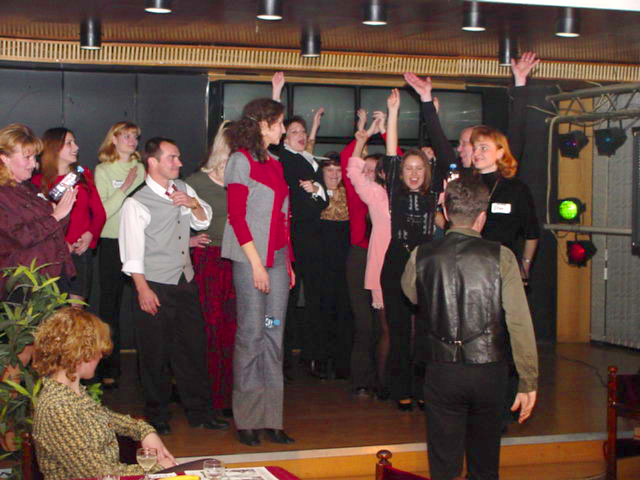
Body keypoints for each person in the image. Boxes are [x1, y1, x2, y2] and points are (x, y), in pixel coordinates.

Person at [401, 175, 538, 480]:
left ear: (445, 212)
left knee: (444, 466)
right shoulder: (503, 256)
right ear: (482, 217)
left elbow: (412, 295)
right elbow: (519, 322)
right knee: (485, 466)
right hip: (489, 371)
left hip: (441, 369)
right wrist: (528, 380)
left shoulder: (421, 254)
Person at [119, 137, 227, 435]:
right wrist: (142, 289)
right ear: (153, 162)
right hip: (154, 284)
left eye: (178, 157)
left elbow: (203, 220)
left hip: (185, 281)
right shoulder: (136, 202)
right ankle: (157, 414)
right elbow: (131, 252)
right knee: (155, 353)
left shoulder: (182, 189)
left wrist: (193, 203)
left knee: (193, 348)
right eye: (172, 158)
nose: (179, 163)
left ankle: (200, 411)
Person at [221, 97, 294, 447]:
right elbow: (236, 217)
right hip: (251, 259)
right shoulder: (240, 161)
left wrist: (287, 264)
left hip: (277, 261)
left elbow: (283, 219)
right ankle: (247, 420)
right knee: (251, 335)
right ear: (263, 125)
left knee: (273, 332)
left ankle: (271, 419)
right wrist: (255, 265)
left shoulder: (276, 164)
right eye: (279, 123)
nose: (284, 129)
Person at [32, 307, 176, 480]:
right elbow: (98, 473)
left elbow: (109, 419)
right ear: (81, 353)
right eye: (98, 350)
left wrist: (145, 431)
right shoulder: (57, 407)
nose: (101, 355)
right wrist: (158, 469)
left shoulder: (73, 394)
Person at [382, 89, 446, 410]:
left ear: (427, 170)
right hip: (396, 260)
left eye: (419, 167)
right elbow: (391, 152)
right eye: (408, 168)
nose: (413, 173)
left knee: (424, 331)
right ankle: (400, 389)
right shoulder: (394, 188)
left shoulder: (433, 191)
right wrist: (393, 112)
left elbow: (442, 152)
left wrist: (433, 114)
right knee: (398, 330)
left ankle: (423, 390)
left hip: (425, 262)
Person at [271, 72, 330, 378]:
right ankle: (281, 360)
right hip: (290, 238)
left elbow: (324, 201)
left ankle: (314, 357)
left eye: (303, 131)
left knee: (316, 298)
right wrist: (276, 92)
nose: (300, 135)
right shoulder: (281, 157)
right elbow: (269, 128)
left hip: (314, 239)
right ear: (284, 135)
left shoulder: (311, 160)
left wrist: (317, 189)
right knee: (287, 300)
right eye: (294, 131)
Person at [404, 51, 539, 171]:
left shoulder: (503, 178)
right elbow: (439, 142)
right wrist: (426, 98)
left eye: (465, 144)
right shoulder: (456, 172)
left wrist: (520, 83)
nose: (458, 149)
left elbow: (517, 130)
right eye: (460, 144)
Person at [186, 120, 237, 416]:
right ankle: (209, 395)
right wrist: (189, 240)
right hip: (209, 260)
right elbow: (174, 219)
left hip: (239, 258)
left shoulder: (243, 179)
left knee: (234, 328)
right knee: (211, 327)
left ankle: (230, 395)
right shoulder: (197, 182)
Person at [94, 121, 146, 389]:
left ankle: (148, 368)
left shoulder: (143, 168)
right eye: (126, 136)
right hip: (112, 242)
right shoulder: (103, 170)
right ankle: (108, 367)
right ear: (113, 139)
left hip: (139, 242)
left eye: (135, 136)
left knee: (145, 302)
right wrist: (125, 187)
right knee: (109, 306)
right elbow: (103, 212)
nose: (132, 141)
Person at [0, 123, 76, 299]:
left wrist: (62, 212)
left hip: (51, 276)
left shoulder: (29, 188)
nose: (34, 164)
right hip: (24, 283)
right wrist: (55, 216)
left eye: (35, 157)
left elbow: (52, 229)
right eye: (27, 157)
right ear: (4, 158)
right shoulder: (3, 194)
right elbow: (19, 237)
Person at [32, 128, 106, 305]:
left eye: (75, 142)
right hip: (52, 255)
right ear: (54, 147)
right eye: (69, 143)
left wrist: (90, 236)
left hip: (80, 252)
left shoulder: (83, 174)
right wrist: (62, 243)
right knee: (52, 310)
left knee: (76, 312)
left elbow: (99, 213)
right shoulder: (36, 182)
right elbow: (37, 224)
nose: (76, 147)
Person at [346, 116, 392, 397]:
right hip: (361, 257)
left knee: (384, 326)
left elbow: (403, 163)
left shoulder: (387, 194)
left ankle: (383, 380)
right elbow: (351, 167)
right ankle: (362, 380)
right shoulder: (360, 193)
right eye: (368, 169)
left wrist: (386, 131)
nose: (371, 174)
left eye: (376, 170)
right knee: (364, 324)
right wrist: (362, 139)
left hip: (385, 259)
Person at [318, 153, 352, 379]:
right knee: (322, 311)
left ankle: (342, 362)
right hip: (319, 262)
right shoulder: (314, 193)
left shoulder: (349, 196)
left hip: (345, 262)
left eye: (338, 170)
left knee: (344, 311)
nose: (334, 174)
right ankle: (320, 360)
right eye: (329, 169)